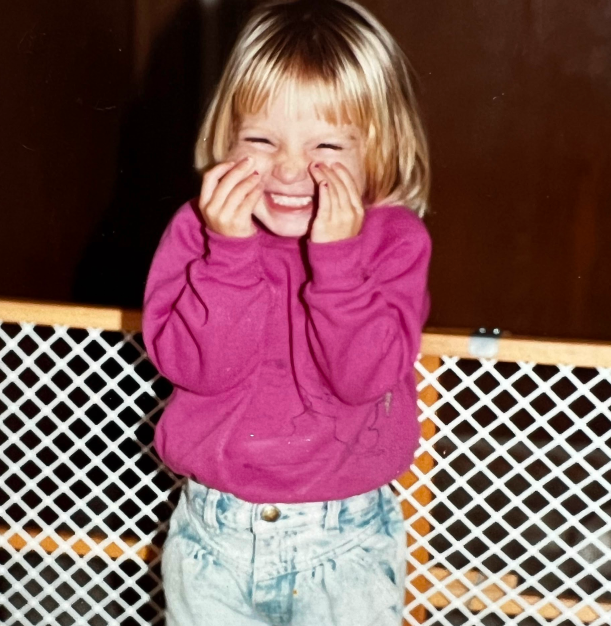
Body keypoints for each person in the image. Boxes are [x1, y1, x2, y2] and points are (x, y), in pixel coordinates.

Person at [142, 1, 431, 624]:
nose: (291, 168)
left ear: (379, 148)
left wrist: (338, 263)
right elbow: (199, 369)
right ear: (226, 137)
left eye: (327, 144)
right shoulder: (200, 234)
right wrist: (229, 253)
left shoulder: (395, 241)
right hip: (210, 534)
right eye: (260, 139)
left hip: (345, 539)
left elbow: (363, 379)